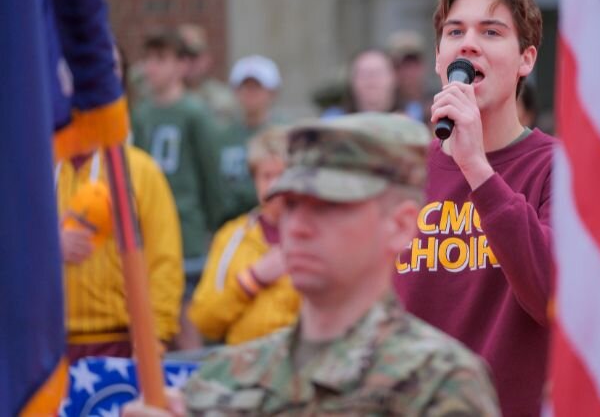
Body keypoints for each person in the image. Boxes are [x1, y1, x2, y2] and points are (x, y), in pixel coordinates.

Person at [123, 112, 500, 416]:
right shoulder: (224, 377)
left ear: (400, 226)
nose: (298, 227)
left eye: (329, 207)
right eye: (290, 205)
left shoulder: (438, 382)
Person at [393, 0, 555, 417]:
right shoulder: (399, 173)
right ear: (439, 58)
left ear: (526, 59)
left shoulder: (558, 169)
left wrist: (476, 168)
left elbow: (551, 296)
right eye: (454, 31)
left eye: (491, 31)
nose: (468, 43)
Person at [131, 29, 227, 349]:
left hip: (187, 229)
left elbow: (210, 174)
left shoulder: (195, 113)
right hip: (149, 230)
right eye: (149, 60)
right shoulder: (141, 113)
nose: (153, 68)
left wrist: (213, 224)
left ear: (181, 66)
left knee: (186, 320)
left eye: (162, 60)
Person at [57, 146, 184, 362]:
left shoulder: (139, 169)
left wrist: (153, 337)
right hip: (44, 350)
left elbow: (164, 260)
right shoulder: (28, 169)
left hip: (122, 342)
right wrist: (46, 246)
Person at [189, 127, 301, 345]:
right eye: (266, 176)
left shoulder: (315, 234)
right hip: (242, 368)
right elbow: (204, 321)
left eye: (282, 175)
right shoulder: (232, 236)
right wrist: (251, 281)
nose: (274, 186)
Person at [218, 54, 283, 220]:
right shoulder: (222, 136)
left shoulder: (283, 134)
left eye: (257, 87)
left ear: (272, 92)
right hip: (230, 222)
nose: (250, 93)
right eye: (244, 87)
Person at [178, 23, 240, 126]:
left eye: (193, 56)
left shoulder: (222, 99)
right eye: (181, 56)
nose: (187, 62)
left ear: (206, 59)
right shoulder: (156, 98)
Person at [321, 49, 399, 117]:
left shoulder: (409, 118)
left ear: (393, 78)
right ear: (351, 81)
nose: (371, 80)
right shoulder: (334, 122)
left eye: (378, 73)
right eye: (363, 74)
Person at [387, 30, 438, 124]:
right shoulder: (385, 104)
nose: (409, 72)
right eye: (403, 66)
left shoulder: (437, 100)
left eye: (414, 64)